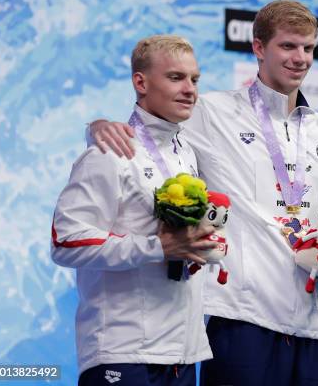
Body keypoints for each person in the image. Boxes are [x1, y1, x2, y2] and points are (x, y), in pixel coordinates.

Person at [89, 0, 318, 385]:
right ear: (259, 48)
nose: (300, 58)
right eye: (288, 46)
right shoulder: (213, 112)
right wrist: (96, 126)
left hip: (309, 322)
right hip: (239, 317)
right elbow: (148, 133)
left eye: (308, 48)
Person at [51, 35, 218, 385]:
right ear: (140, 82)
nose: (190, 89)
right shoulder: (109, 151)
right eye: (176, 77)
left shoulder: (186, 153)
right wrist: (156, 248)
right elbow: (65, 240)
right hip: (123, 353)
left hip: (183, 354)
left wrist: (202, 247)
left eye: (195, 79)